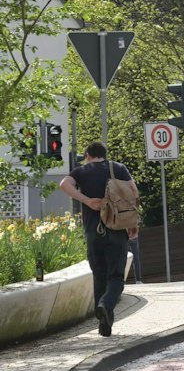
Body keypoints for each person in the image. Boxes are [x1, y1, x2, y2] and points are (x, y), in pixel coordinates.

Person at [57, 142, 138, 336]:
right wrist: (133, 223)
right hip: (117, 229)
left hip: (93, 231)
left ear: (87, 155)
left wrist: (86, 200)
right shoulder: (118, 168)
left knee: (99, 275)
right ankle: (105, 305)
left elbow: (63, 184)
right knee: (116, 276)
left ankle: (104, 321)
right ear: (104, 154)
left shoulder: (81, 171)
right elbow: (134, 192)